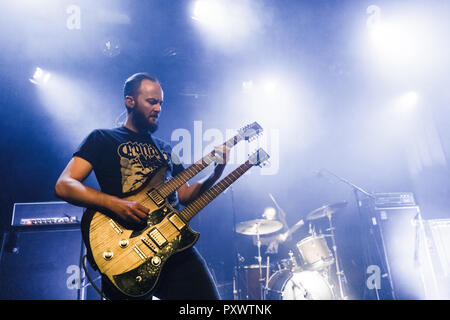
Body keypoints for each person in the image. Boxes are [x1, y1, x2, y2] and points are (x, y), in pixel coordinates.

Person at [55, 72, 228, 300]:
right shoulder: (102, 139)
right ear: (130, 101)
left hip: (171, 245)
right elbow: (64, 185)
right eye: (151, 101)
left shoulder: (167, 149)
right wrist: (115, 204)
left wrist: (216, 172)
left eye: (160, 103)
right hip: (124, 248)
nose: (158, 108)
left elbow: (184, 195)